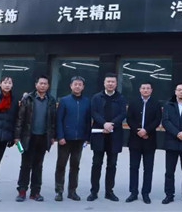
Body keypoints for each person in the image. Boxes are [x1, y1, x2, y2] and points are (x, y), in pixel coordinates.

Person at [14, 75, 57, 202]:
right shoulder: (28, 99)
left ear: (48, 86)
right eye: (41, 83)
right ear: (36, 85)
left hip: (43, 137)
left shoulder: (51, 100)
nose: (43, 85)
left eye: (45, 84)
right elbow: (20, 118)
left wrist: (52, 136)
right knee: (25, 165)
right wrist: (17, 136)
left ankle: (35, 192)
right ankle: (22, 191)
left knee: (38, 165)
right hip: (28, 137)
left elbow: (53, 120)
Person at [87, 73, 127, 202]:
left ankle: (109, 191)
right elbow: (94, 112)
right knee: (96, 164)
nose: (110, 84)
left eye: (113, 82)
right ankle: (94, 191)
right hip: (99, 133)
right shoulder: (96, 97)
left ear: (116, 84)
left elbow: (123, 114)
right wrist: (104, 123)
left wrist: (111, 124)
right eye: (108, 81)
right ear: (104, 83)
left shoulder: (121, 98)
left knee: (112, 165)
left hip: (115, 135)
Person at [54, 76, 91, 202]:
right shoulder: (64, 100)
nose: (77, 86)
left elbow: (88, 121)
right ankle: (59, 191)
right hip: (65, 139)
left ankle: (72, 191)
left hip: (79, 139)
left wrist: (87, 137)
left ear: (83, 87)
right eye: (75, 84)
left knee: (75, 166)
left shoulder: (86, 101)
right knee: (61, 165)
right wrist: (60, 136)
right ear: (71, 86)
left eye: (80, 84)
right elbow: (59, 119)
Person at [125, 81, 162, 204]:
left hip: (149, 140)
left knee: (148, 168)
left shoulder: (156, 103)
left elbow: (157, 119)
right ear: (140, 90)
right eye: (143, 88)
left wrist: (146, 130)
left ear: (151, 90)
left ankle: (146, 193)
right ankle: (133, 192)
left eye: (148, 88)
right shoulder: (133, 102)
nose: (146, 90)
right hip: (134, 140)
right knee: (134, 167)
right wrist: (138, 131)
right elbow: (129, 119)